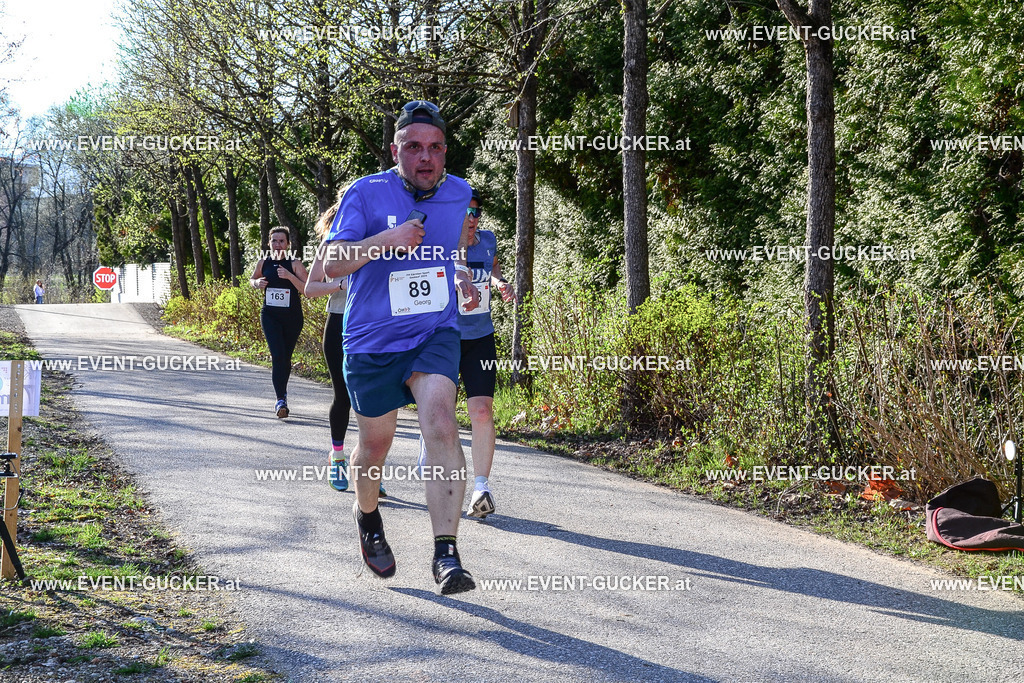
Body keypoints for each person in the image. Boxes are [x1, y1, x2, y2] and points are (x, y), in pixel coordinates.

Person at [323, 100, 481, 594]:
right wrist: (386, 239)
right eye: (413, 147)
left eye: (435, 148)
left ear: (446, 153)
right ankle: (367, 516)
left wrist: (459, 275)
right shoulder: (365, 193)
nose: (425, 157)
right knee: (376, 445)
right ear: (396, 151)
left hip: (433, 331)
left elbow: (447, 249)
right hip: (371, 340)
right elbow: (329, 264)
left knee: (440, 421)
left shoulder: (459, 193)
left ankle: (447, 554)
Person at [305, 198, 386, 497]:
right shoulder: (329, 248)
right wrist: (340, 286)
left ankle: (368, 464)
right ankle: (337, 458)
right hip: (339, 323)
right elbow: (310, 287)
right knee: (344, 396)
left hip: (372, 326)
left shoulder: (374, 246)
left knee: (373, 401)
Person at [448, 189, 515, 519]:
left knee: (482, 412)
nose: (472, 220)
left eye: (476, 213)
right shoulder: (440, 244)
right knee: (441, 415)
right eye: (466, 213)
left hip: (480, 338)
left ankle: (481, 488)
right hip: (444, 339)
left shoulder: (488, 240)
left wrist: (502, 283)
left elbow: (493, 267)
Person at [249, 227, 308, 418]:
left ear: (288, 244)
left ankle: (282, 395)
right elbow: (252, 279)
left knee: (286, 358)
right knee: (278, 356)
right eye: (274, 241)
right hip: (270, 316)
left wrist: (290, 276)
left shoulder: (295, 264)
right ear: (269, 243)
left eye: (282, 241)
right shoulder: (263, 262)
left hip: (292, 318)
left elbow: (308, 289)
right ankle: (280, 400)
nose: (278, 244)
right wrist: (257, 283)